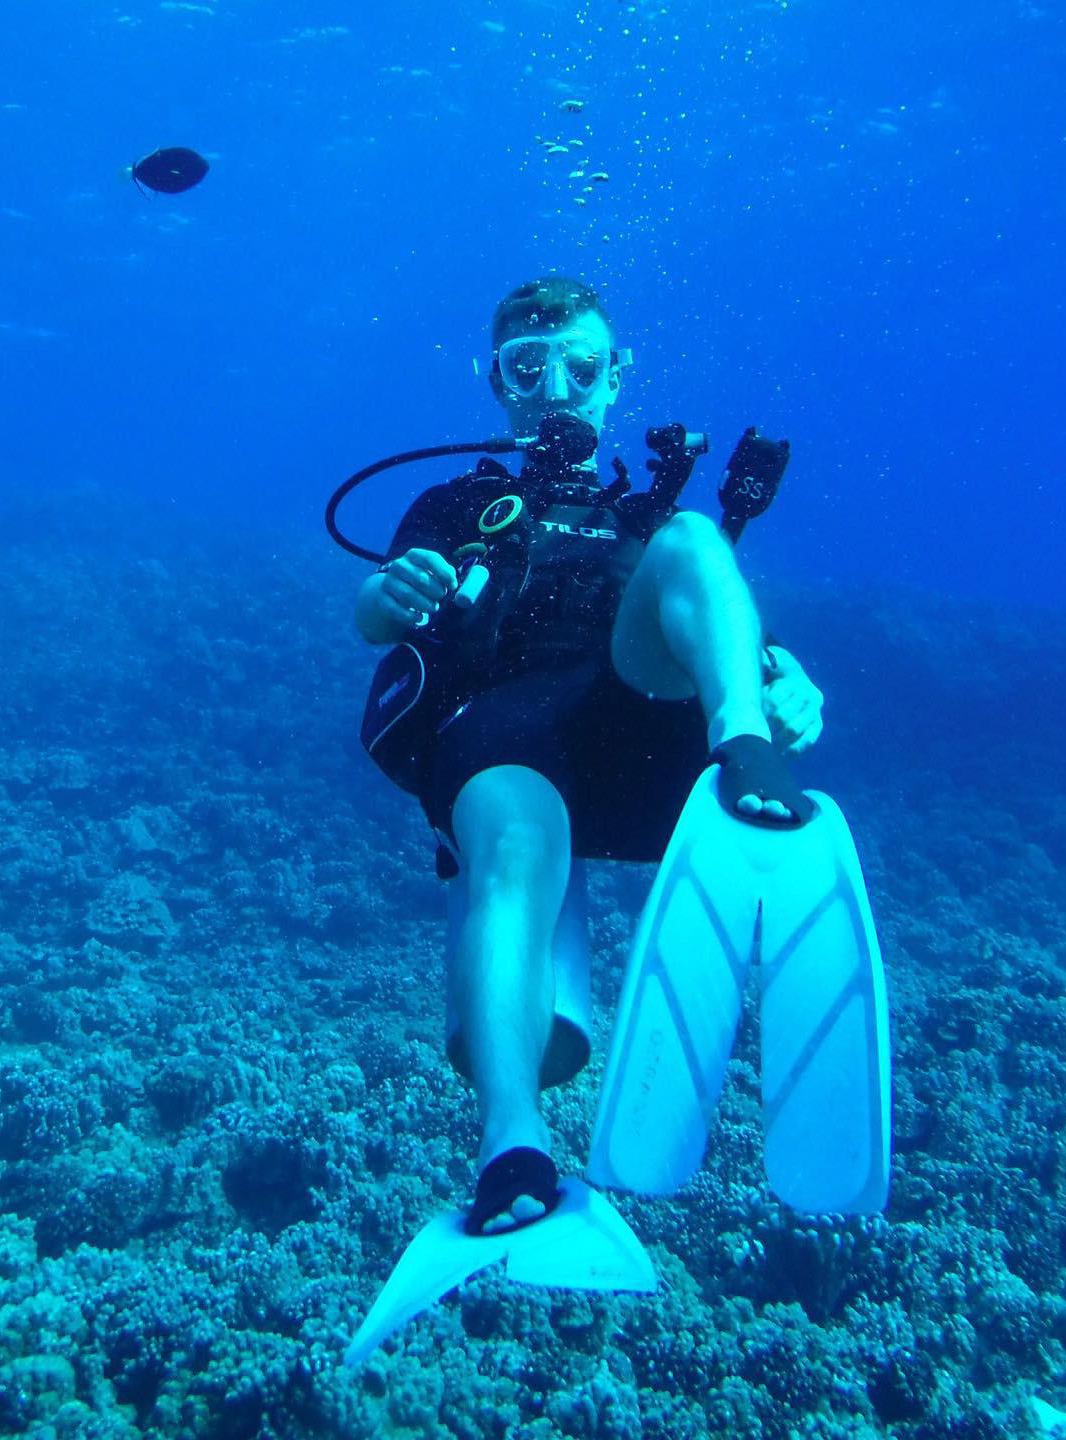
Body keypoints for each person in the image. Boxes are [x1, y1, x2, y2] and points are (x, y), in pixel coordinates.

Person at [352, 277, 825, 1238]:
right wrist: (385, 596)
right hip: (505, 736)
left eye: (580, 365)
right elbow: (376, 610)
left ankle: (745, 749)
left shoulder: (645, 515)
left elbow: (716, 610)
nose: (556, 389)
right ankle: (512, 1150)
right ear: (498, 383)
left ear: (615, 379)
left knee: (695, 536)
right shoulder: (458, 501)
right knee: (512, 853)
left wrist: (786, 684)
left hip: (646, 737)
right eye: (528, 368)